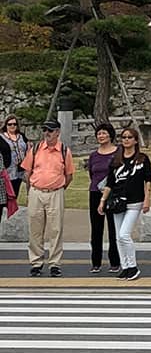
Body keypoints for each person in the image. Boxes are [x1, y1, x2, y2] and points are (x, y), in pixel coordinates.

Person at [21, 120, 74, 277]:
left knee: (55, 229)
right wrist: (29, 191)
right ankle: (36, 262)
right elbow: (27, 171)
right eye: (45, 130)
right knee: (35, 229)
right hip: (36, 191)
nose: (47, 133)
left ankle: (54, 263)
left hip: (55, 192)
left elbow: (69, 175)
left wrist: (59, 187)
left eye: (50, 130)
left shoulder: (64, 150)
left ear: (58, 132)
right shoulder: (36, 149)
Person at [98, 129, 151, 281]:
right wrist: (103, 201)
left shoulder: (142, 159)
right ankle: (125, 266)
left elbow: (148, 179)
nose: (126, 140)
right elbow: (110, 183)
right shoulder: (116, 160)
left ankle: (133, 266)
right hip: (118, 202)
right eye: (124, 137)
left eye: (130, 137)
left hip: (135, 201)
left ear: (135, 140)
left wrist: (147, 199)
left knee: (124, 234)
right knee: (117, 237)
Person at [86, 123, 121, 274]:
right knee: (96, 229)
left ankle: (115, 261)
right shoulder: (93, 155)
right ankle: (96, 262)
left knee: (114, 229)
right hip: (95, 192)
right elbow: (92, 175)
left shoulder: (118, 152)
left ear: (111, 135)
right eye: (99, 133)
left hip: (113, 193)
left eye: (104, 133)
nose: (101, 136)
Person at [2, 114, 29, 198]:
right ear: (6, 125)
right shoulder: (1, 137)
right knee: (6, 196)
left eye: (14, 124)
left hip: (20, 170)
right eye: (10, 124)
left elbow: (27, 147)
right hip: (7, 170)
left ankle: (12, 210)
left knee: (15, 194)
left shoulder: (22, 136)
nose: (12, 126)